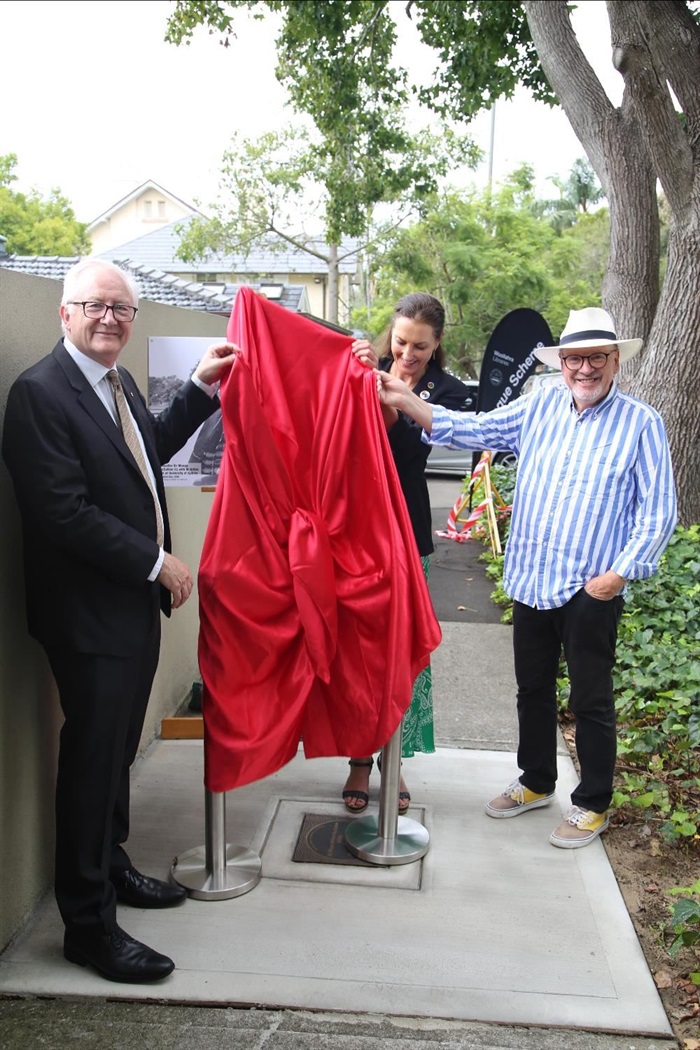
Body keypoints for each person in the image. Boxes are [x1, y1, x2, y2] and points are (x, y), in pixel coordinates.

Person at [2, 258, 238, 982]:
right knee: (92, 761)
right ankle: (88, 925)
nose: (109, 318)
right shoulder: (39, 394)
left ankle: (112, 863)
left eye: (122, 309)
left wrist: (201, 387)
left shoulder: (119, 382)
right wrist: (156, 562)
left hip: (128, 611)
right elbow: (61, 512)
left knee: (115, 753)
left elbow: (146, 452)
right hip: (87, 614)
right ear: (64, 313)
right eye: (95, 306)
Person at [375, 306, 677, 848]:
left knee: (591, 700)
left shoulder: (642, 423)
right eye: (575, 358)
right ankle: (537, 781)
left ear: (615, 362)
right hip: (533, 579)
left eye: (596, 358)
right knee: (531, 690)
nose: (585, 368)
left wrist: (617, 576)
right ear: (561, 363)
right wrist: (404, 399)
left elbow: (659, 512)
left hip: (591, 586)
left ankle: (591, 804)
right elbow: (470, 427)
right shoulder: (538, 409)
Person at [343, 292, 475, 814]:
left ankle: (393, 763)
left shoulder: (447, 393)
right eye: (400, 342)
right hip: (356, 532)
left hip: (407, 534)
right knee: (358, 651)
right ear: (389, 335)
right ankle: (357, 759)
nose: (408, 353)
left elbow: (425, 444)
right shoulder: (364, 370)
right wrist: (351, 372)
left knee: (406, 655)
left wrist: (399, 400)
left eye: (420, 346)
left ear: (437, 344)